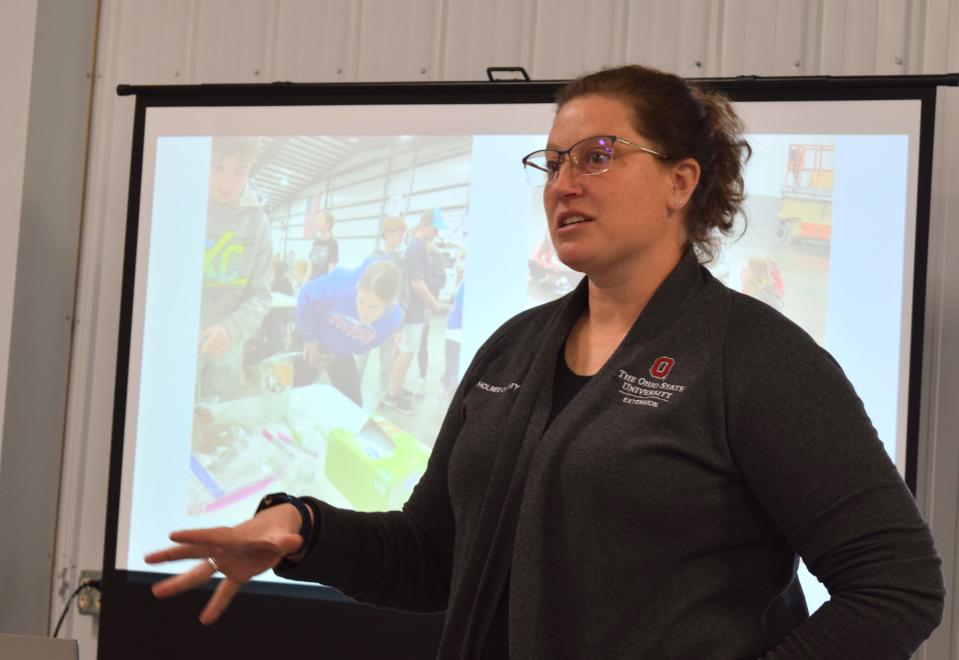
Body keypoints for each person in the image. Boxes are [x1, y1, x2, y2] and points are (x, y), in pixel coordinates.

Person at [146, 65, 944, 659]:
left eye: (597, 155)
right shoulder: (514, 347)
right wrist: (305, 530)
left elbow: (895, 585)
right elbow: (434, 557)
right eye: (552, 161)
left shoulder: (756, 358)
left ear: (680, 181)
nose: (564, 182)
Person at [197, 136, 272, 402]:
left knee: (217, 428)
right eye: (218, 167)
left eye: (239, 171)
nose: (226, 184)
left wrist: (231, 329)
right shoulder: (184, 206)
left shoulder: (259, 222)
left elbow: (261, 295)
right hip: (180, 345)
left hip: (228, 352)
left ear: (251, 167)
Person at [295, 259, 403, 406]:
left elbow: (363, 344)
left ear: (389, 303)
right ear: (357, 288)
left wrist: (333, 355)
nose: (364, 313)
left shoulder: (392, 320)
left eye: (373, 307)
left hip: (341, 348)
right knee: (297, 392)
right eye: (361, 301)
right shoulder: (341, 284)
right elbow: (304, 296)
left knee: (354, 403)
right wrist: (310, 338)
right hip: (310, 328)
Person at [382, 210, 444, 412]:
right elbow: (417, 283)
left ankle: (395, 388)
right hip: (412, 311)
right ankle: (393, 395)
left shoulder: (416, 246)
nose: (436, 233)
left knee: (401, 350)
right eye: (435, 229)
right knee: (407, 351)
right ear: (425, 225)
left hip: (409, 310)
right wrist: (434, 304)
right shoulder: (417, 247)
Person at [305, 209, 338, 281]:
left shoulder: (332, 243)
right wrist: (304, 284)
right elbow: (310, 266)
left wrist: (326, 287)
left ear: (328, 224)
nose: (317, 223)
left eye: (320, 220)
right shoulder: (316, 242)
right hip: (312, 282)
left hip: (322, 284)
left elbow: (331, 269)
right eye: (317, 220)